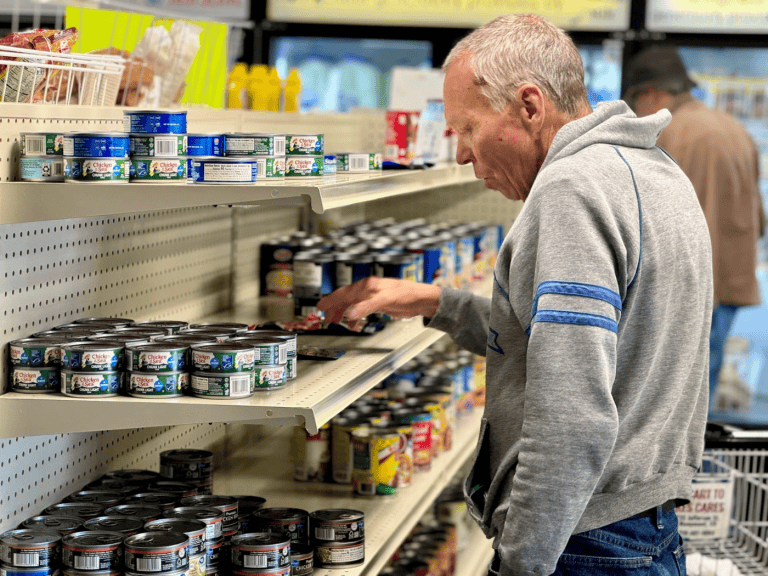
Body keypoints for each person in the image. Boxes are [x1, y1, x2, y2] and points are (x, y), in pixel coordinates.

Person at [318, 14, 712, 576]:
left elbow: (572, 414)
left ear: (529, 107)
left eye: (467, 129)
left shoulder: (572, 190)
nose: (460, 154)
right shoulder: (650, 169)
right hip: (642, 526)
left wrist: (521, 563)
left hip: (582, 540)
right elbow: (587, 342)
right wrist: (438, 302)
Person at [624, 45, 764, 413]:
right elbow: (759, 220)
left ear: (651, 93)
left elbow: (644, 221)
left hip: (683, 289)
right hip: (729, 282)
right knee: (700, 393)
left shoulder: (666, 135)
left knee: (667, 403)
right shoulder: (735, 130)